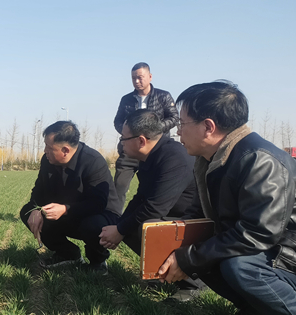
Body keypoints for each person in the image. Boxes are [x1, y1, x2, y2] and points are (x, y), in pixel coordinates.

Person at [159, 81, 296, 315]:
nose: (177, 132)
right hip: (275, 247)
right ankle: (258, 310)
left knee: (239, 266)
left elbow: (259, 233)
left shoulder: (258, 160)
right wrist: (174, 247)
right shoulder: (212, 159)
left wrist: (189, 257)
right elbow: (201, 217)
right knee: (208, 254)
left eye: (181, 124)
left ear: (208, 126)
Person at [99, 109, 206, 301]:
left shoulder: (174, 158)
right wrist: (119, 226)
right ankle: (166, 274)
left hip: (195, 223)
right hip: (175, 217)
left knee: (146, 228)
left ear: (141, 141)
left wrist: (120, 230)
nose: (121, 144)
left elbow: (155, 208)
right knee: (132, 226)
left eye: (123, 138)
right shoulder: (155, 155)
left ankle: (194, 283)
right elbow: (141, 198)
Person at [20, 121, 121, 274]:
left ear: (65, 150)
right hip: (65, 212)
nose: (45, 150)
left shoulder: (93, 161)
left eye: (49, 147)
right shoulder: (47, 160)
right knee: (27, 212)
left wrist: (66, 209)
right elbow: (39, 189)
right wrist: (35, 208)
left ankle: (98, 261)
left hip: (98, 214)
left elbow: (98, 203)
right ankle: (67, 254)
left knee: (92, 224)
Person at [113, 62, 179, 212]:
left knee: (153, 188)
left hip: (154, 152)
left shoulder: (163, 96)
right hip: (129, 150)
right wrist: (128, 135)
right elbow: (117, 121)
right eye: (133, 78)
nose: (137, 81)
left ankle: (150, 222)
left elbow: (174, 117)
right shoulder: (126, 99)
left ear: (150, 77)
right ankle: (112, 219)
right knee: (119, 187)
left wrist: (153, 131)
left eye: (140, 77)